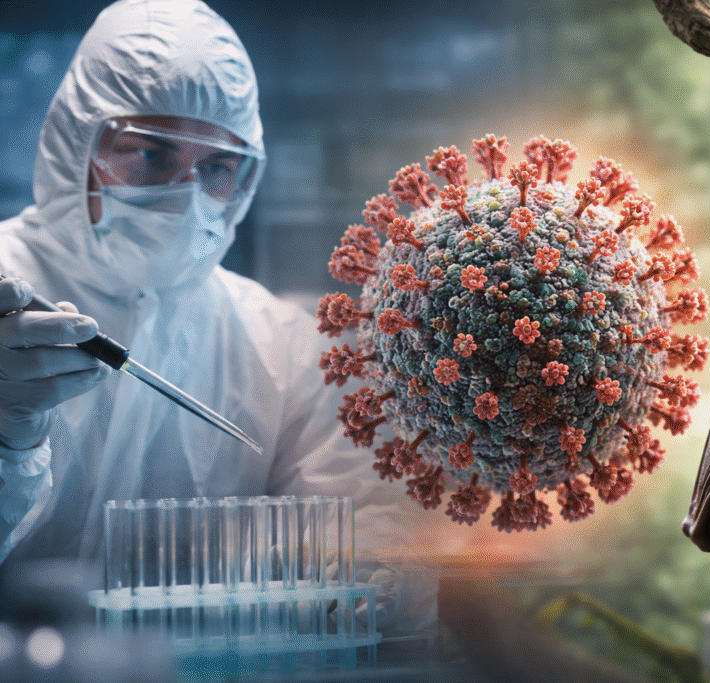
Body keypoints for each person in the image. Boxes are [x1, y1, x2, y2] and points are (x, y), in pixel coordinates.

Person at [0, 0, 433, 635]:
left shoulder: (278, 344)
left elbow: (358, 550)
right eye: (151, 156)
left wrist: (367, 581)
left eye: (218, 167)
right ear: (76, 142)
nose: (186, 194)